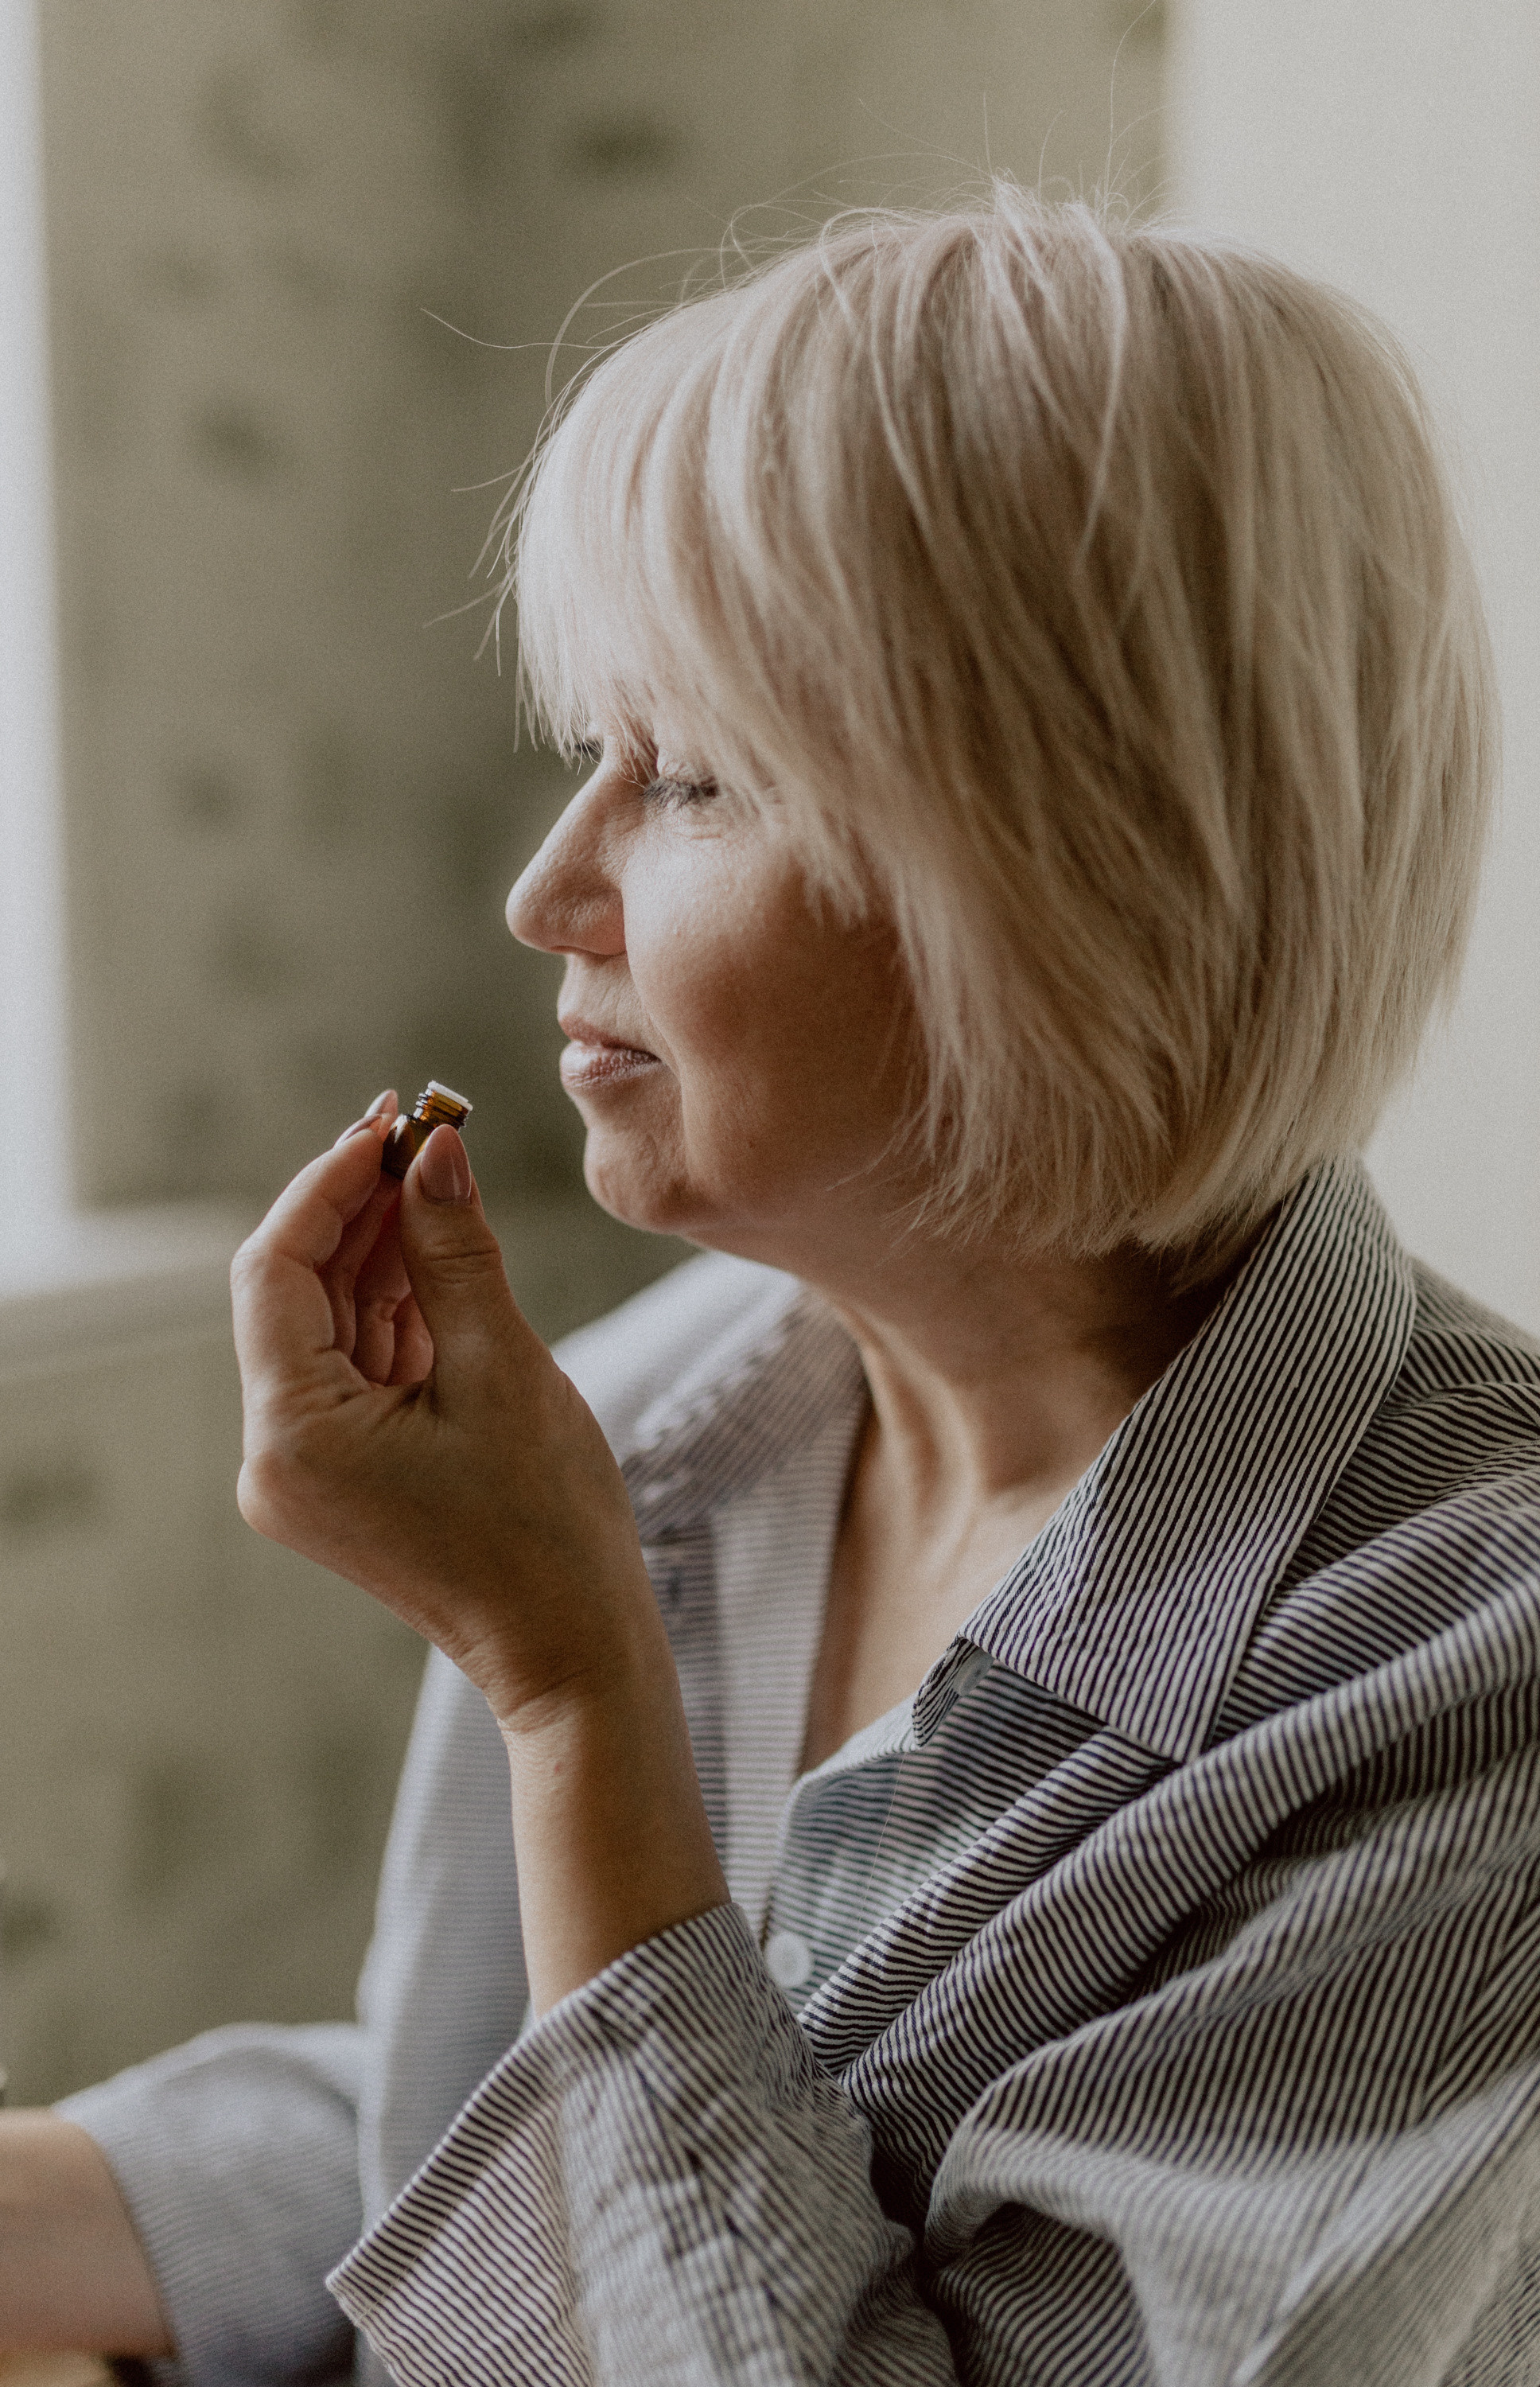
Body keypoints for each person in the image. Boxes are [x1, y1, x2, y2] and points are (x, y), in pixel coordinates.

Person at [2, 182, 1537, 2386]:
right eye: (586, 754)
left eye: (696, 778)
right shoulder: (665, 1407)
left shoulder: (1479, 1680)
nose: (548, 893)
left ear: (1068, 864)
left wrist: (571, 1688)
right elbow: (498, 2132)